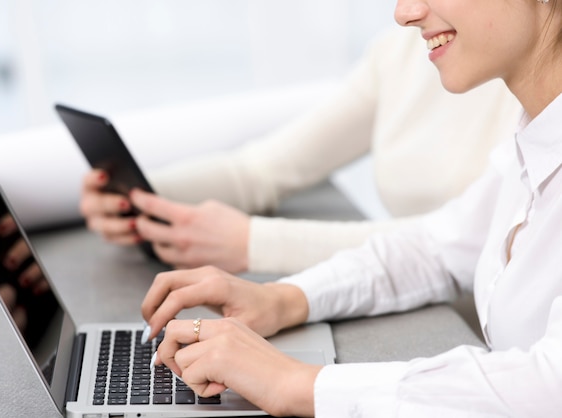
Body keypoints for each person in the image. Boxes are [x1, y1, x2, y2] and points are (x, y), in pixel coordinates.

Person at [139, 0, 562, 416]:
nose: (404, 13)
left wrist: (294, 383)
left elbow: (549, 385)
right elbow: (436, 247)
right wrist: (283, 299)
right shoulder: (533, 136)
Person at [79, 25, 520, 275]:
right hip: (416, 312)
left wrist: (253, 242)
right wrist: (140, 192)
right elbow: (263, 169)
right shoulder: (406, 51)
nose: (404, 12)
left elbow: (460, 243)